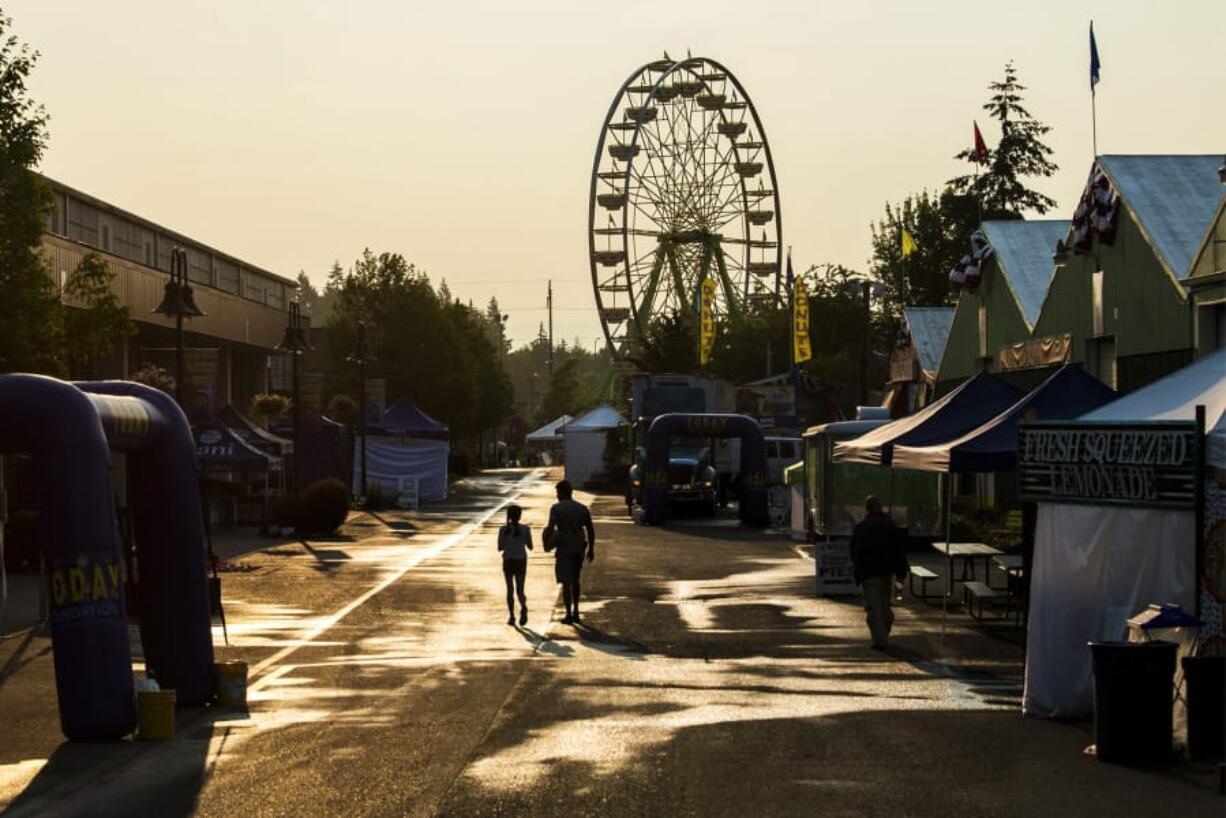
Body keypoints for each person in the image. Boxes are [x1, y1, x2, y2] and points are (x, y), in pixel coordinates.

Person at [849, 495, 909, 649]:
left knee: (874, 608)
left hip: (869, 574)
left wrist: (858, 572)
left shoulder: (862, 527)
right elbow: (899, 551)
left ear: (867, 509)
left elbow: (855, 552)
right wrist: (901, 574)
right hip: (886, 573)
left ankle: (880, 639)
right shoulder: (891, 526)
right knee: (884, 606)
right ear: (881, 508)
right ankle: (884, 631)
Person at [542, 480, 595, 624]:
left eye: (558, 492)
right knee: (575, 580)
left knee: (566, 582)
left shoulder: (556, 509)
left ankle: (568, 614)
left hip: (564, 547)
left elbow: (551, 527)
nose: (557, 496)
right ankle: (576, 611)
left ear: (563, 493)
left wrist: (547, 540)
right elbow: (590, 529)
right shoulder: (582, 509)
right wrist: (591, 549)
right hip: (579, 547)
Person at [497, 504, 532, 626]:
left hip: (508, 560)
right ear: (520, 516)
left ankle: (512, 615)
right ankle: (523, 607)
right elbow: (530, 546)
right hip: (521, 560)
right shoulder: (525, 529)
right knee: (520, 589)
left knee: (510, 589)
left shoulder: (503, 530)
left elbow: (500, 547)